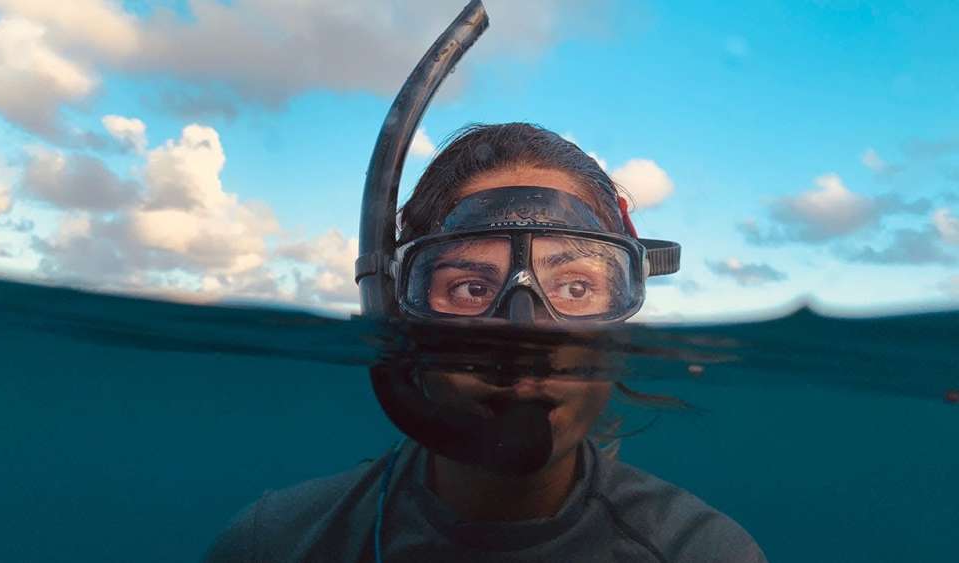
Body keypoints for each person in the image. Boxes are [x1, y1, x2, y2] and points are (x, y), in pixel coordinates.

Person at [204, 123, 768, 562]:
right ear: (398, 307)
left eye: (575, 286)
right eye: (472, 287)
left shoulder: (705, 556)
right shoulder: (271, 547)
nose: (521, 345)